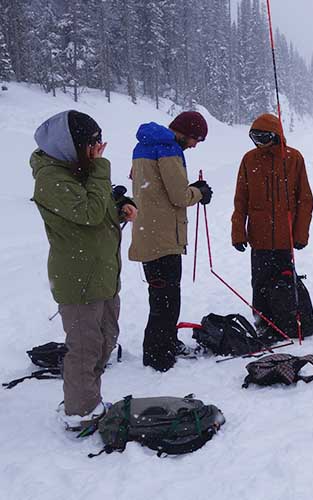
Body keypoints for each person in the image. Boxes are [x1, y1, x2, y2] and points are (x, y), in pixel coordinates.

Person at [31, 110, 136, 429]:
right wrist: (101, 168)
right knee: (85, 349)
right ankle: (80, 411)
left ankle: (90, 399)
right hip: (80, 280)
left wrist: (120, 208)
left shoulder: (77, 170)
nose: (97, 150)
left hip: (101, 273)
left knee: (105, 340)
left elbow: (97, 212)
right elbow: (89, 212)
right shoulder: (51, 178)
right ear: (70, 145)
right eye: (91, 144)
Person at [129, 111, 212, 372]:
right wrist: (199, 192)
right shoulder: (168, 149)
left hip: (148, 232)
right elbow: (179, 196)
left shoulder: (144, 146)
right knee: (167, 299)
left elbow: (157, 188)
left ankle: (165, 343)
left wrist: (191, 189)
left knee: (160, 296)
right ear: (185, 132)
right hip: (163, 236)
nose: (195, 145)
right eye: (196, 139)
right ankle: (158, 355)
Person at [231, 113, 313, 333]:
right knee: (260, 282)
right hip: (259, 237)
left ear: (275, 135)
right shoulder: (249, 159)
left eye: (264, 137)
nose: (259, 143)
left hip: (286, 237)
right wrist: (238, 232)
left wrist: (301, 234)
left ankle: (286, 320)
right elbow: (241, 199)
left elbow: (305, 199)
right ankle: (263, 323)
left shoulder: (293, 158)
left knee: (284, 282)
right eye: (255, 138)